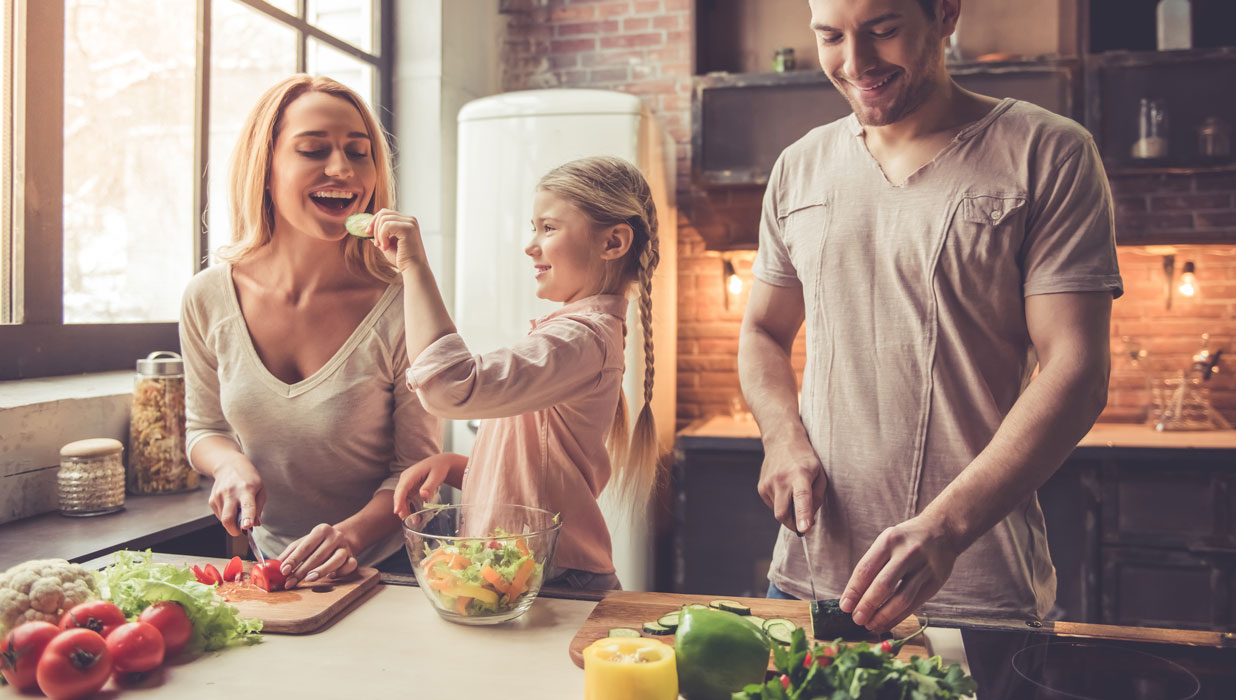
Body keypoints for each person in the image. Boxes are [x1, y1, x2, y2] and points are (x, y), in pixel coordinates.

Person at [738, 0, 1122, 630]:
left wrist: (946, 528)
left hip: (977, 589)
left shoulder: (1048, 153)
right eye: (830, 36)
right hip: (812, 579)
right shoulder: (797, 168)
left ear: (946, 14)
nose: (855, 63)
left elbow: (1076, 371)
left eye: (883, 31)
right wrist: (780, 435)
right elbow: (762, 331)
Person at [181, 75, 442, 588]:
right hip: (273, 569)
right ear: (266, 168)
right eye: (314, 149)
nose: (343, 170)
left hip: (393, 572)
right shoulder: (206, 297)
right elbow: (203, 429)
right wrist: (229, 464)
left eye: (359, 152)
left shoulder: (401, 304)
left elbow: (418, 471)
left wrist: (349, 537)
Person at [375, 155, 660, 590]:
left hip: (556, 581)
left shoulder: (580, 338)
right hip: (533, 575)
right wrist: (459, 467)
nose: (531, 245)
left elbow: (450, 388)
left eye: (549, 228)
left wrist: (413, 266)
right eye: (534, 227)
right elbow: (539, 469)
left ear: (613, 243)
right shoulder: (578, 336)